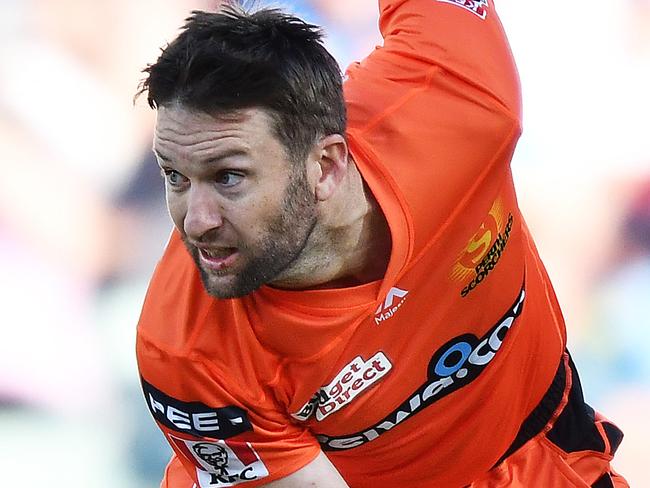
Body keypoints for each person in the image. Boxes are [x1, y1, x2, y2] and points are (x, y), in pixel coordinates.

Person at [135, 1, 628, 486]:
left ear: (325, 166)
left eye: (228, 177)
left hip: (546, 445)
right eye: (175, 176)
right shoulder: (186, 349)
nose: (195, 222)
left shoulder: (454, 90)